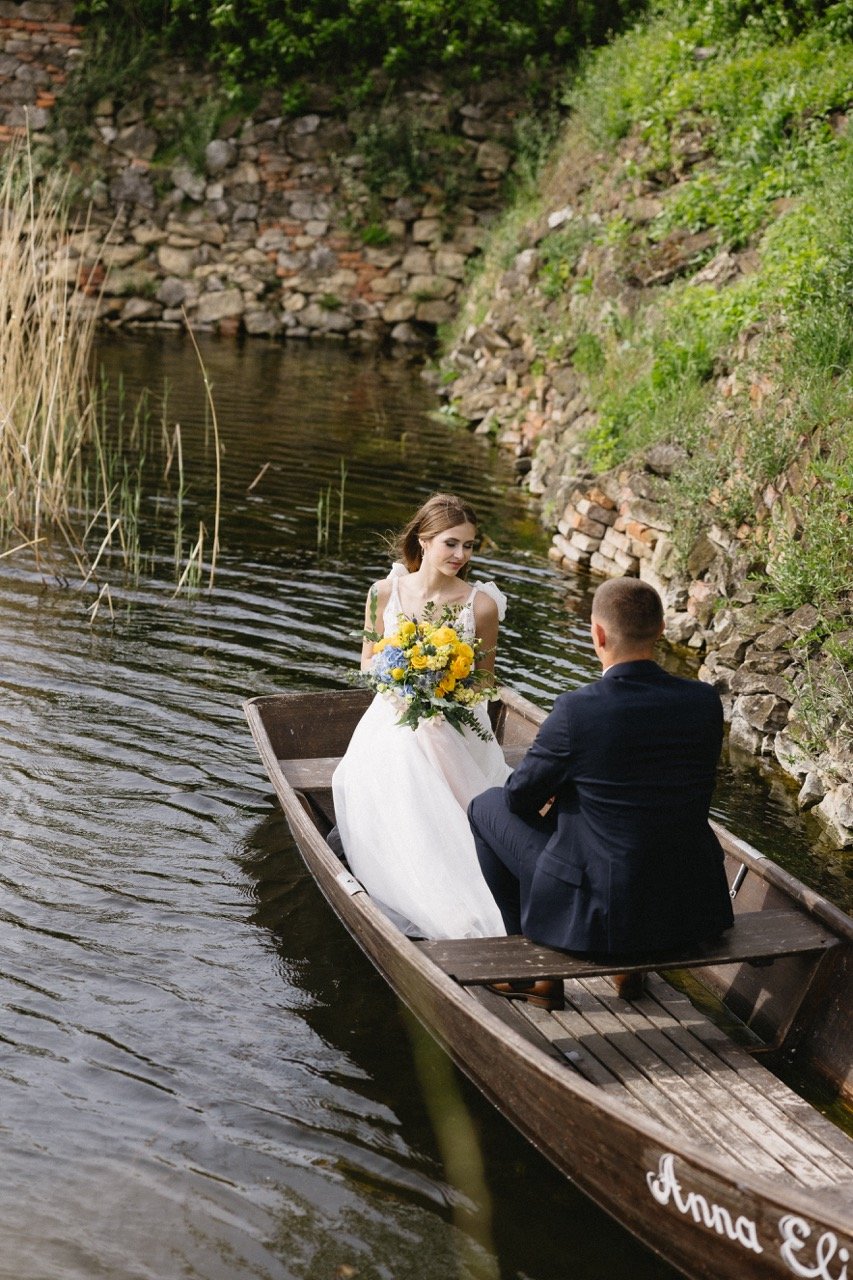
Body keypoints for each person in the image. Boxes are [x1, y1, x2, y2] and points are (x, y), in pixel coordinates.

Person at [468, 576, 734, 1009]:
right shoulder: (703, 701)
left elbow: (519, 798)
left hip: (605, 914)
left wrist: (561, 800)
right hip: (690, 909)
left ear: (598, 634)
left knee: (486, 805)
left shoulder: (578, 708)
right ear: (661, 630)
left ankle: (537, 975)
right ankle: (631, 973)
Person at [332, 493, 509, 940]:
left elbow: (485, 683)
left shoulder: (480, 605)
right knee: (401, 754)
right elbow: (368, 662)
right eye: (451, 544)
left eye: (469, 546)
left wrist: (443, 687)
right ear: (423, 540)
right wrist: (406, 675)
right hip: (394, 714)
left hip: (455, 720)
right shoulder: (385, 592)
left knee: (440, 763)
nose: (461, 556)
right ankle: (405, 877)